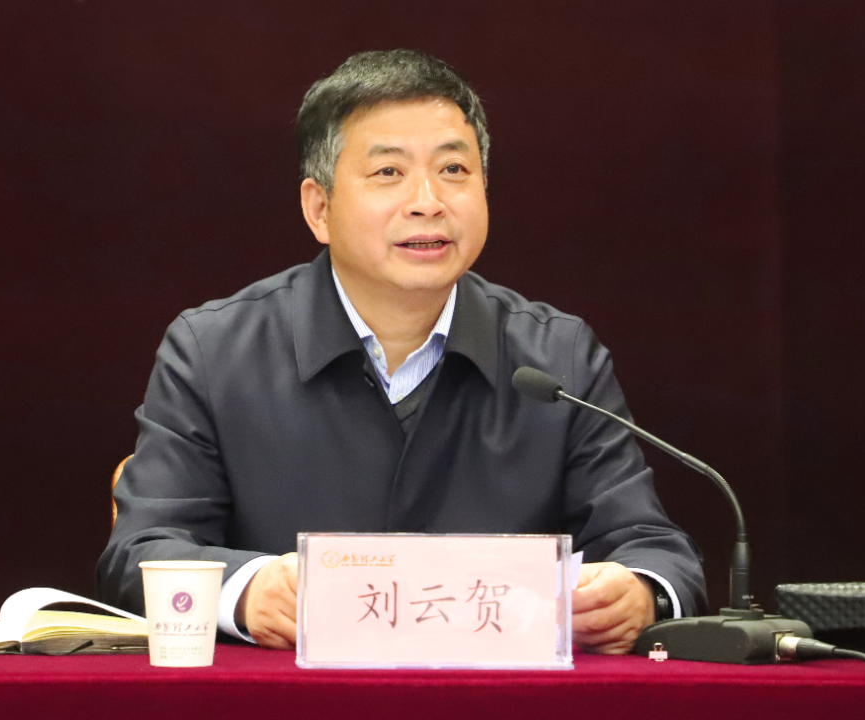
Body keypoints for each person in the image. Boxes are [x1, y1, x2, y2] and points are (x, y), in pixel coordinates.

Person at [97, 49, 706, 654]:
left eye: (454, 169)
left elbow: (656, 551)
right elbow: (140, 549)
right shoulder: (214, 352)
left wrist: (640, 592)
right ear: (319, 208)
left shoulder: (556, 357)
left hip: (494, 695)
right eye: (389, 172)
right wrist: (248, 591)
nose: (428, 201)